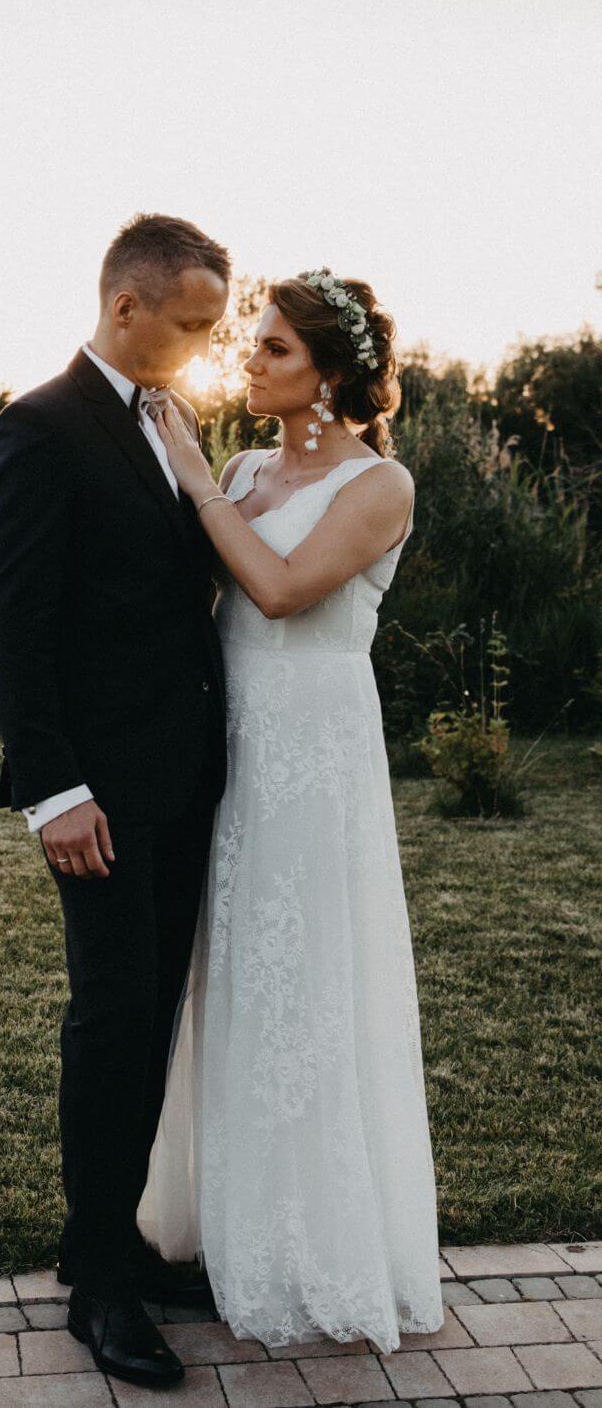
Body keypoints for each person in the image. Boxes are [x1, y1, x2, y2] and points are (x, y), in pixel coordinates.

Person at [137, 268, 446, 1354]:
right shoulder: (244, 468)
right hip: (231, 750)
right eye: (254, 343)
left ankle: (315, 1245)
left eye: (273, 348)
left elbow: (276, 590)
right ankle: (229, 1227)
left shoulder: (379, 484)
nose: (249, 360)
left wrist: (192, 479)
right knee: (230, 975)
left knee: (306, 978)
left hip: (314, 757)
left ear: (330, 372)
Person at [0, 213, 231, 1388]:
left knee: (151, 1015)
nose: (205, 344)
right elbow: (15, 627)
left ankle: (114, 1241)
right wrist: (54, 791)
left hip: (183, 781)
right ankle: (99, 1290)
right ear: (126, 306)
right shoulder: (39, 426)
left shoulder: (171, 422)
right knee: (113, 1018)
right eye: (191, 323)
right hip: (99, 797)